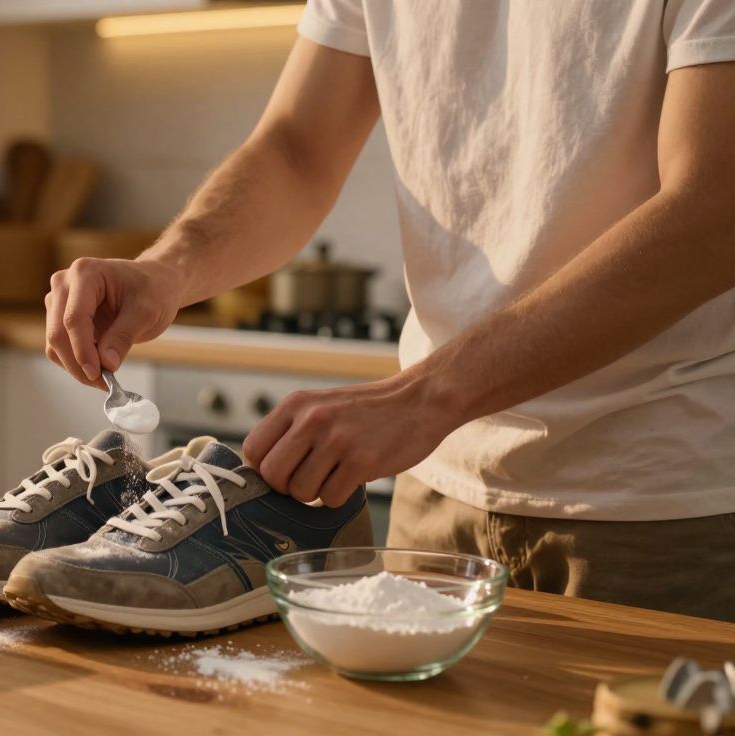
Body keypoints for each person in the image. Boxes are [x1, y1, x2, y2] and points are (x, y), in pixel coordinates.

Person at [43, 0, 735, 621]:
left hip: (665, 504)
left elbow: (715, 210)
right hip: (436, 496)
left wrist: (424, 395)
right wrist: (167, 269)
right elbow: (297, 149)